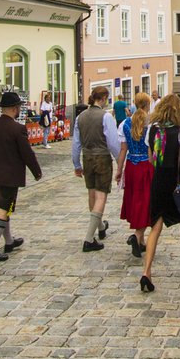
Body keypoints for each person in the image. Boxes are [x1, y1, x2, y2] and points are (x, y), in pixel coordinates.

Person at [0, 92, 43, 263]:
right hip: (9, 176)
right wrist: (37, 172)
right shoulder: (17, 128)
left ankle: (9, 241)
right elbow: (27, 153)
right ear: (15, 108)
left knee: (2, 207)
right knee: (3, 210)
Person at [139, 95, 180, 292]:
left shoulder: (152, 130)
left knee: (155, 227)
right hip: (175, 183)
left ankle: (146, 271)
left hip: (158, 182)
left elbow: (150, 159)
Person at [71, 86, 119, 251]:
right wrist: (120, 162)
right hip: (102, 158)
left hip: (87, 158)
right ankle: (89, 239)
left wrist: (76, 164)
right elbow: (113, 143)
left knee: (91, 194)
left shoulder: (81, 117)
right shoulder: (105, 116)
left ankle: (100, 227)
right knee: (100, 197)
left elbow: (76, 143)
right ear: (104, 98)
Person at [116, 93, 153, 257]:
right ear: (147, 105)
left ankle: (141, 241)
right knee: (145, 202)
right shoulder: (151, 123)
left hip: (131, 165)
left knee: (136, 200)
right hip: (146, 165)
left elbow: (123, 149)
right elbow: (153, 148)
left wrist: (119, 169)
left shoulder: (125, 123)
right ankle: (137, 236)